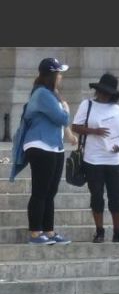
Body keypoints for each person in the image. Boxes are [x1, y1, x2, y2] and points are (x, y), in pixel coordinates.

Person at [10, 58, 72, 245]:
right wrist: (66, 109)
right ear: (52, 75)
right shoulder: (42, 94)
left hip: (54, 146)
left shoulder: (51, 94)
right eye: (59, 73)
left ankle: (49, 231)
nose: (61, 77)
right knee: (40, 191)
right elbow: (61, 118)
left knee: (50, 191)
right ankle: (35, 233)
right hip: (40, 145)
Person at [71, 73, 119, 244]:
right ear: (97, 91)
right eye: (102, 92)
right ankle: (99, 231)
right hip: (93, 158)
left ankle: (118, 231)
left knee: (116, 197)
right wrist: (94, 131)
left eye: (108, 93)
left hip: (113, 159)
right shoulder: (87, 105)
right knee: (97, 196)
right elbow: (75, 126)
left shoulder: (118, 110)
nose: (104, 95)